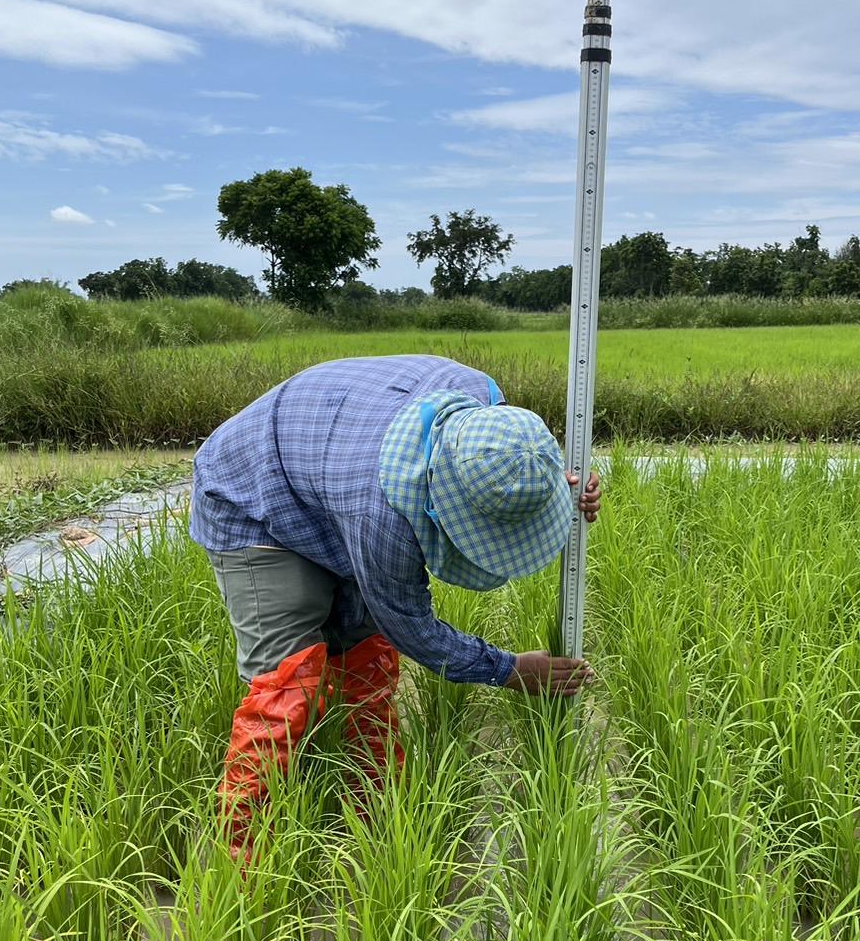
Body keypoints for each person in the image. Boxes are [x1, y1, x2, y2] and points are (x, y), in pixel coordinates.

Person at [189, 354, 601, 861]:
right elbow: (412, 627)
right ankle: (240, 864)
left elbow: (505, 465)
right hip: (252, 494)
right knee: (290, 682)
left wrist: (551, 493)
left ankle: (375, 814)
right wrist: (509, 670)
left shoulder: (485, 406)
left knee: (362, 657)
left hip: (329, 471)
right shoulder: (381, 517)